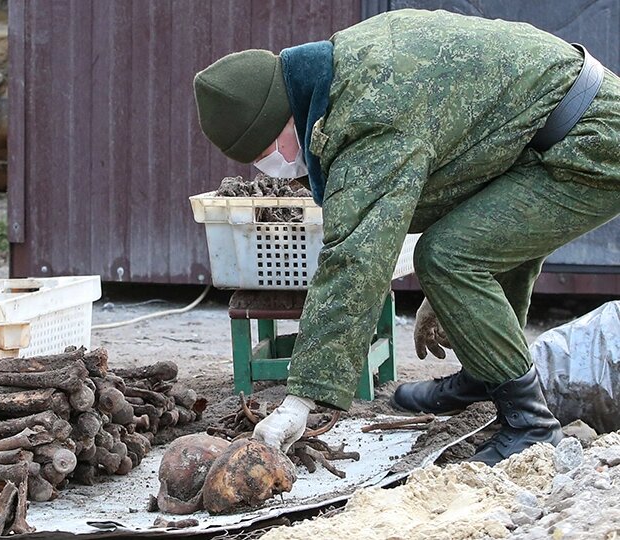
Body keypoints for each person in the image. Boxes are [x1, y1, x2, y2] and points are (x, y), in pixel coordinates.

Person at [193, 9, 620, 465]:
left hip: (590, 144)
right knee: (458, 252)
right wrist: (453, 306)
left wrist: (302, 399)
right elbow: (463, 148)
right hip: (540, 133)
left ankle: (531, 424)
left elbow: (355, 259)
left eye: (266, 153)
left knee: (447, 258)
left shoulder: (367, 112)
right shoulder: (347, 61)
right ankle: (486, 370)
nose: (272, 165)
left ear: (281, 119)